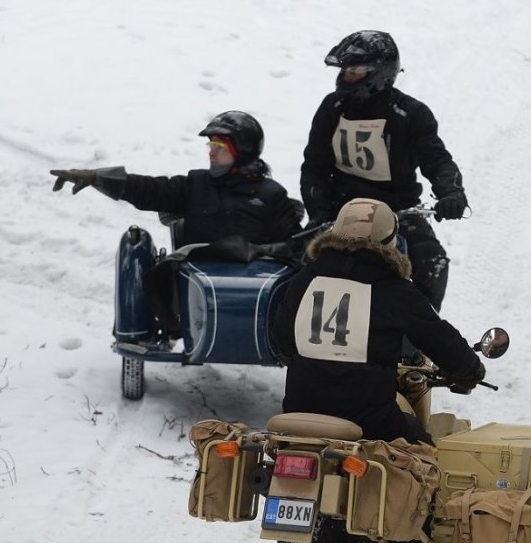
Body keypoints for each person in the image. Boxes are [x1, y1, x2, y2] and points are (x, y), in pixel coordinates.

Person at [50, 110, 304, 342]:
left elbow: (293, 245)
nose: (211, 152)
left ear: (242, 151)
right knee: (141, 250)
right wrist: (97, 178)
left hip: (254, 294)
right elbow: (151, 190)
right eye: (210, 146)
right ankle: (152, 330)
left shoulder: (271, 194)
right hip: (197, 285)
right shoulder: (196, 184)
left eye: (219, 147)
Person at [273, 198, 485, 446]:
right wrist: (470, 370)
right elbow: (438, 337)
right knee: (426, 454)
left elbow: (282, 341)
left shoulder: (304, 279)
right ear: (390, 241)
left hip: (300, 410)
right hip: (371, 421)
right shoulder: (393, 289)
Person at [300, 30, 467, 311]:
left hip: (398, 212)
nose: (346, 77)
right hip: (340, 210)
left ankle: (419, 332)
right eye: (345, 71)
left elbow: (437, 160)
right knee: (300, 261)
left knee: (431, 261)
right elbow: (314, 167)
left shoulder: (412, 114)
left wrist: (451, 192)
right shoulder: (332, 108)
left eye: (355, 72)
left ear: (380, 74)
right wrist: (318, 211)